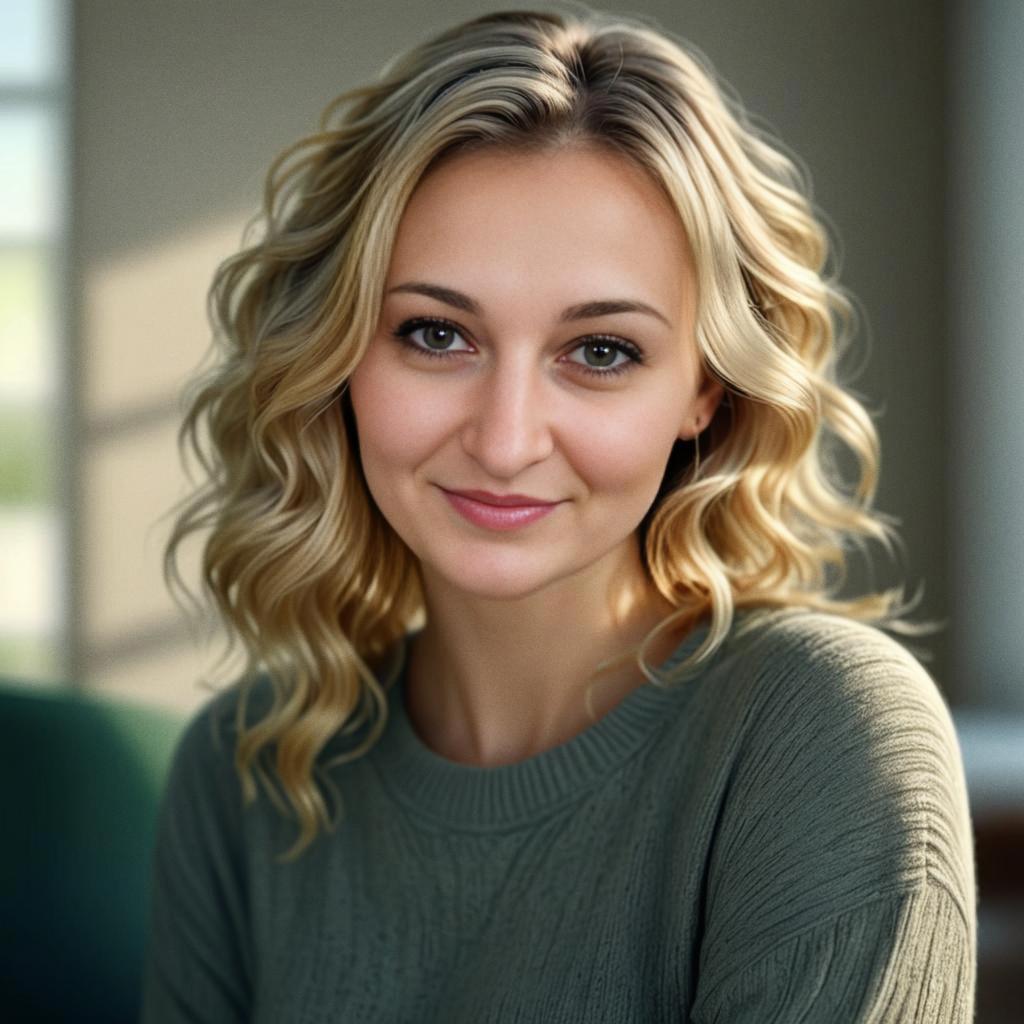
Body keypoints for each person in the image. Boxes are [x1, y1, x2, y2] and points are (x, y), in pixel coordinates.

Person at [142, 7, 977, 1022]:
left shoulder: (819, 731)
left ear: (704, 390)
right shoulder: (248, 771)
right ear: (338, 354)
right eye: (436, 333)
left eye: (600, 351)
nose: (505, 439)